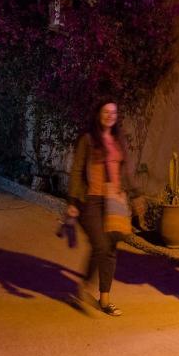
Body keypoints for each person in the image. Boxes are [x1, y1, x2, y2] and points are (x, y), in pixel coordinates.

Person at [66, 100, 143, 316]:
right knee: (100, 245)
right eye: (105, 111)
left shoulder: (118, 140)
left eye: (114, 112)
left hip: (113, 199)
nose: (110, 115)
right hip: (90, 199)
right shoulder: (88, 139)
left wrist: (136, 194)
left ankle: (105, 299)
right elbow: (76, 169)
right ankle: (83, 287)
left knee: (109, 248)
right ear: (98, 114)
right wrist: (72, 202)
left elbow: (126, 169)